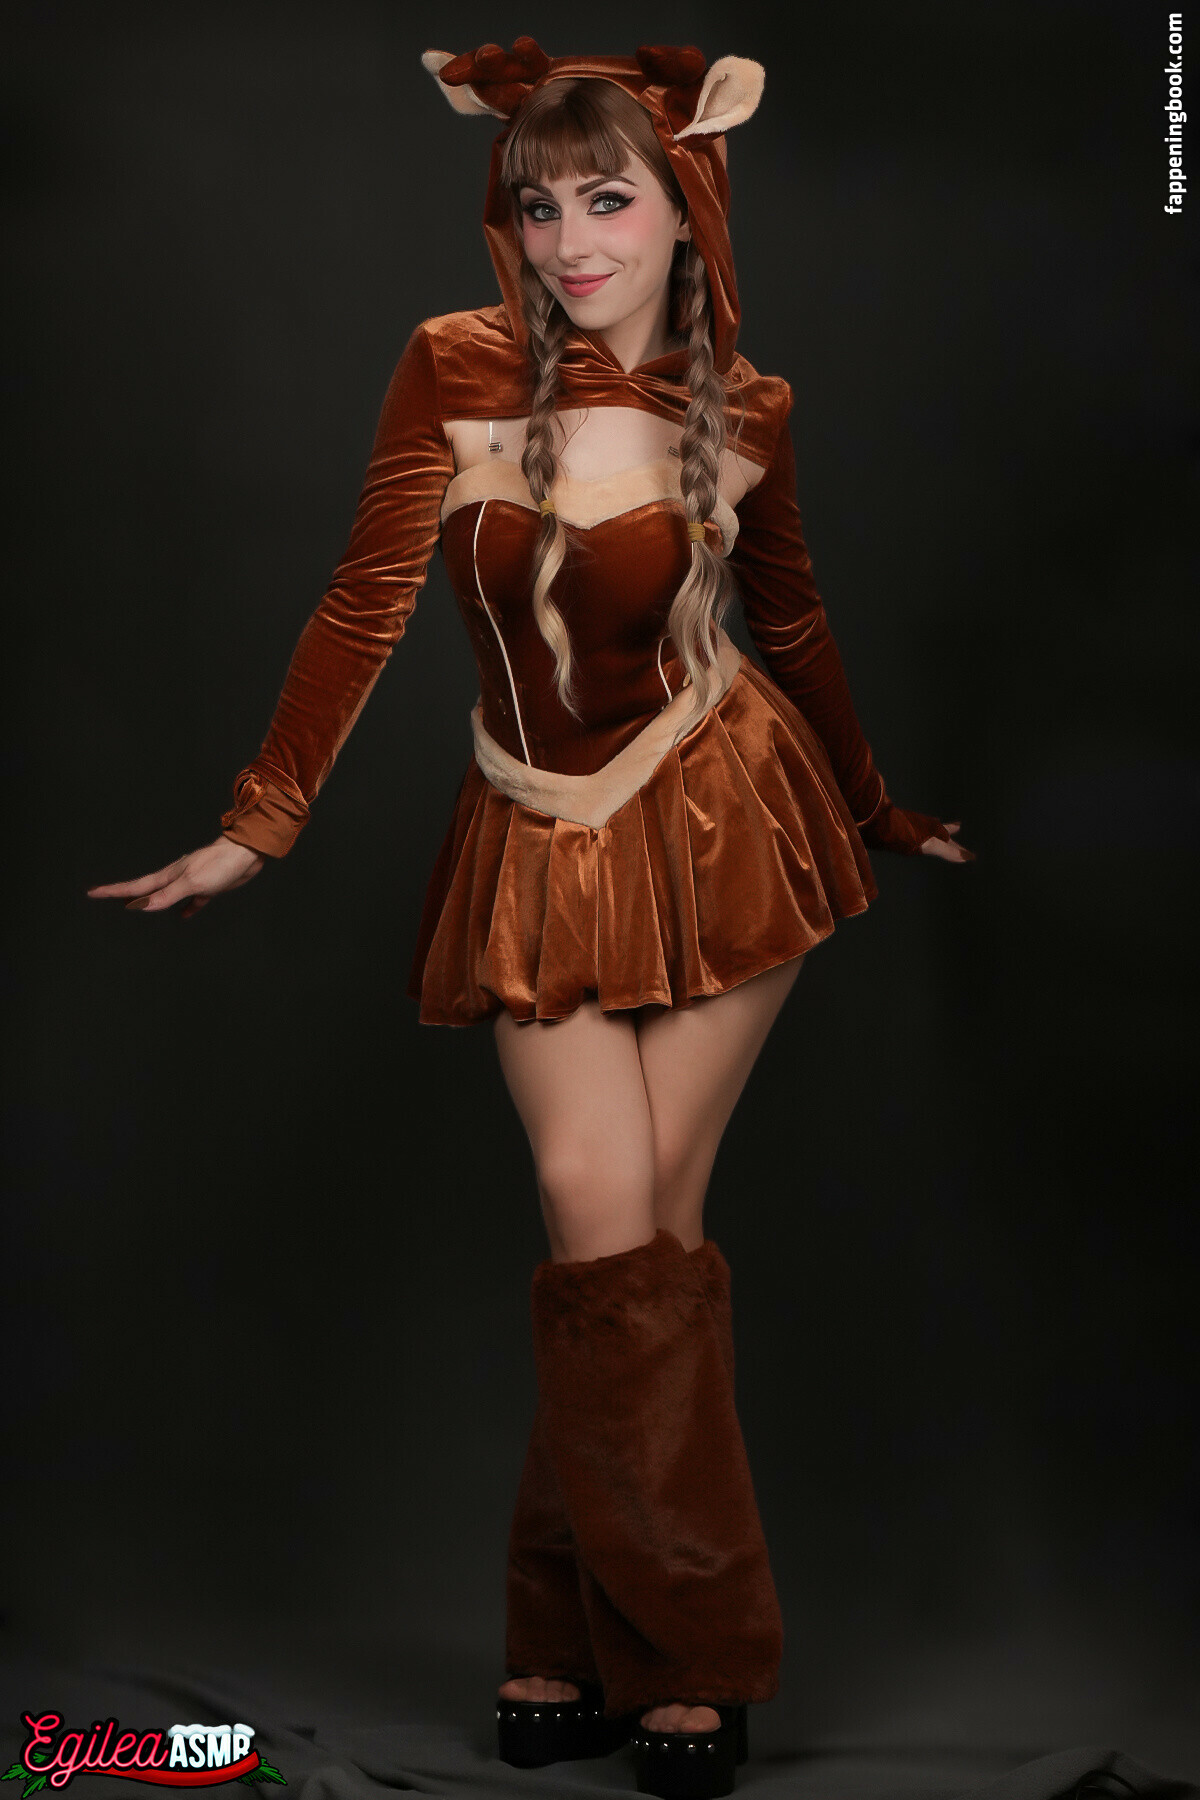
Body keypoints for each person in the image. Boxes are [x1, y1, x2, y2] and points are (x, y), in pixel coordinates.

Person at [89, 39, 973, 1799]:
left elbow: (793, 622)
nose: (571, 242)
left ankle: (587, 1652)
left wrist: (875, 804)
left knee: (632, 1234)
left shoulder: (752, 407)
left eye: (610, 199)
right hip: (538, 833)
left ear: (687, 206)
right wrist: (261, 821)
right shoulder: (456, 365)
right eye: (540, 203)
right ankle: (667, 1646)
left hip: (731, 822)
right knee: (605, 1216)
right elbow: (364, 597)